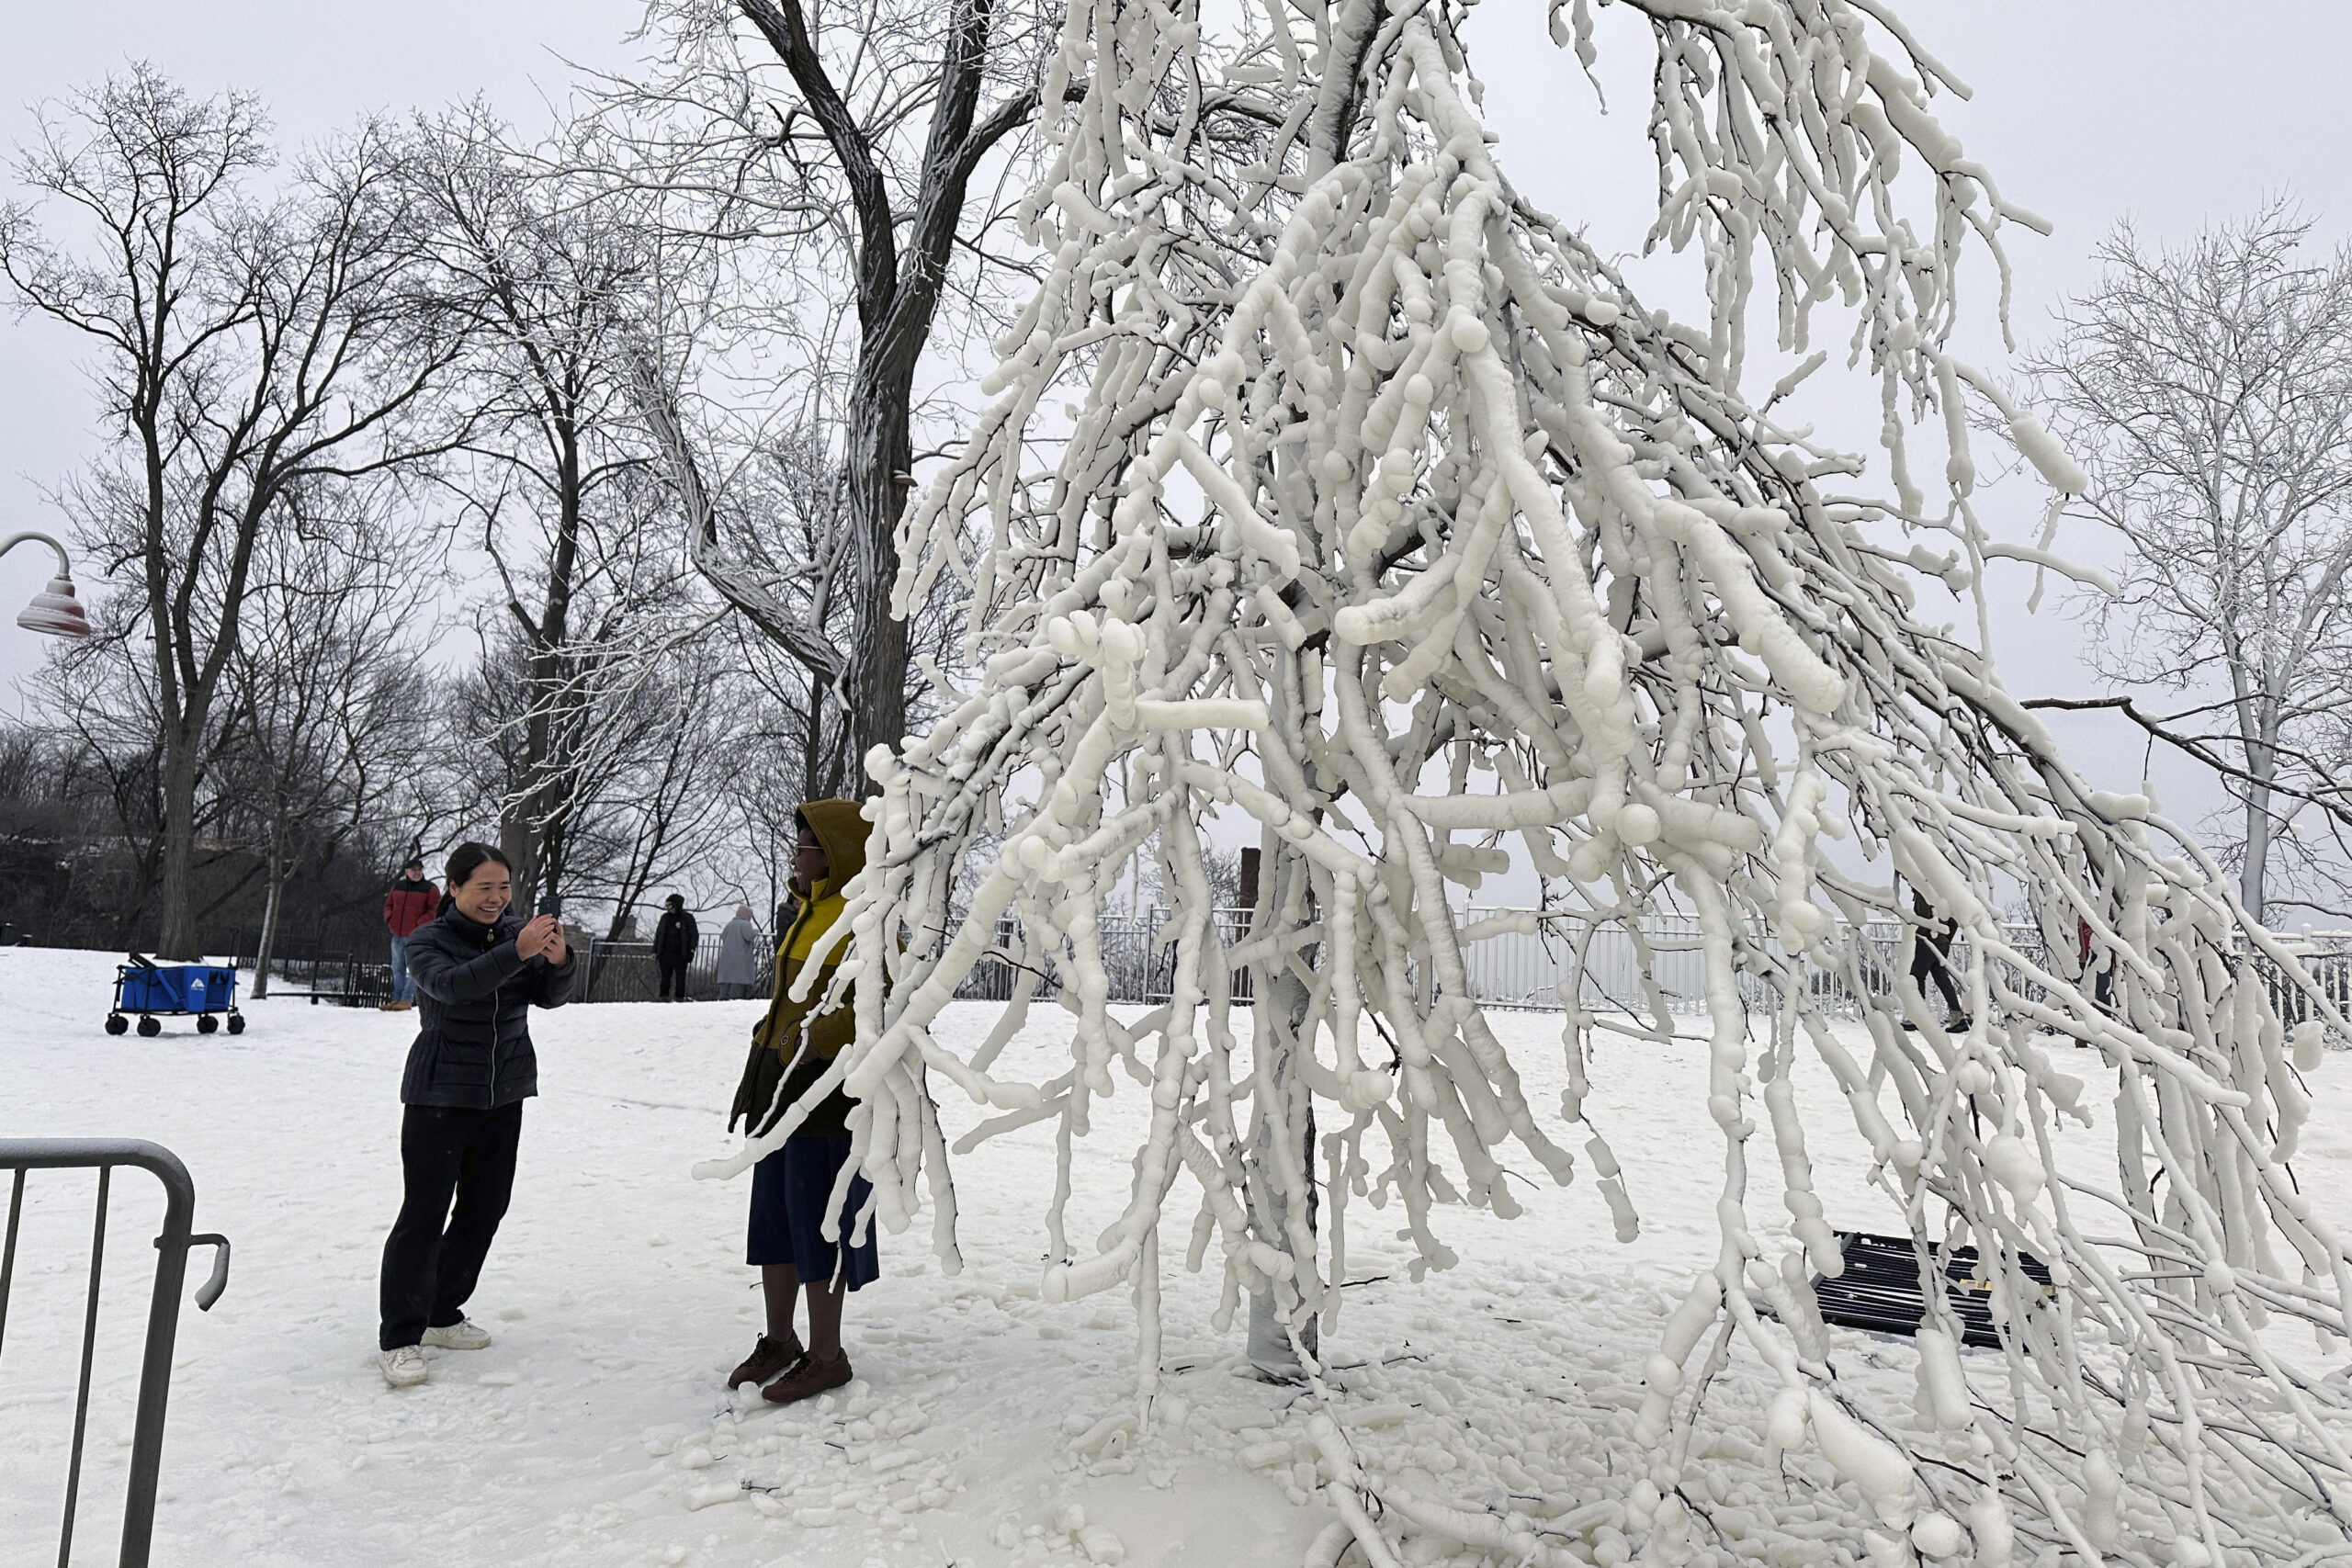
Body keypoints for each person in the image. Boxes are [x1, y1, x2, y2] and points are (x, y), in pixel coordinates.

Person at [377, 842, 574, 1389]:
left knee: (486, 1207)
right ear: (456, 888)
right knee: (424, 1212)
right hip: (440, 1092)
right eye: (483, 887)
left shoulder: (518, 932)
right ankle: (399, 1336)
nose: (495, 898)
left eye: (504, 887)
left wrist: (557, 961)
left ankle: (441, 1311)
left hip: (503, 1090)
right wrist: (518, 950)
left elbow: (548, 996)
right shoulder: (427, 940)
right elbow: (453, 988)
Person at [725, 800, 875, 1405]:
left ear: (835, 853)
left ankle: (827, 1354)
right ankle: (781, 1340)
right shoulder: (805, 912)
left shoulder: (863, 916)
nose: (797, 853)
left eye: (808, 845)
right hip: (777, 1086)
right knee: (775, 1218)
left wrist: (825, 1040)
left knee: (821, 1220)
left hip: (827, 1093)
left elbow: (879, 997)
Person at [381, 856, 437, 1012]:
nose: (417, 873)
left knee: (415, 968)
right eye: (414, 870)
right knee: (397, 967)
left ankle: (406, 999)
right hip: (397, 934)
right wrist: (389, 918)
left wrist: (419, 924)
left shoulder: (430, 888)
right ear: (407, 871)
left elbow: (434, 910)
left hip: (416, 936)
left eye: (419, 870)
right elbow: (388, 905)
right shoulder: (398, 886)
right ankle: (396, 998)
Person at [1907, 888, 1966, 1032]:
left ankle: (1918, 1017)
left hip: (1928, 941)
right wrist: (1945, 939)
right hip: (1940, 943)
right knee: (1941, 977)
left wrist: (1922, 937)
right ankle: (1957, 1016)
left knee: (1916, 976)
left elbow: (1926, 920)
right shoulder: (1938, 894)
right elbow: (1953, 922)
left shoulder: (1923, 893)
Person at [653, 894, 699, 1002]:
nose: (667, 907)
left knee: (680, 977)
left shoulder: (687, 918)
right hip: (665, 953)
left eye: (669, 905)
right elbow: (659, 935)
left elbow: (694, 935)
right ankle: (664, 996)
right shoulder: (664, 918)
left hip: (681, 953)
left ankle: (679, 998)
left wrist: (691, 949)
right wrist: (655, 951)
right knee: (665, 977)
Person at [716, 905, 763, 1000]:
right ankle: (733, 998)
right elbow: (748, 936)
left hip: (726, 954)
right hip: (739, 955)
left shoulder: (730, 924)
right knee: (736, 978)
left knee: (726, 977)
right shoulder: (746, 924)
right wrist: (756, 931)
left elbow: (723, 936)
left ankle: (722, 997)